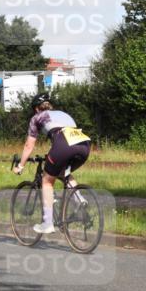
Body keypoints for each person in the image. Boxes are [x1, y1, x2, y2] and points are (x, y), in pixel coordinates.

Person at [13, 92, 91, 234]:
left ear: (36, 108)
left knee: (47, 181)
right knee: (62, 172)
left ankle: (48, 223)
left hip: (64, 143)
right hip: (84, 144)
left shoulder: (37, 117)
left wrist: (20, 165)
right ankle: (80, 200)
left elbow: (29, 146)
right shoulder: (62, 114)